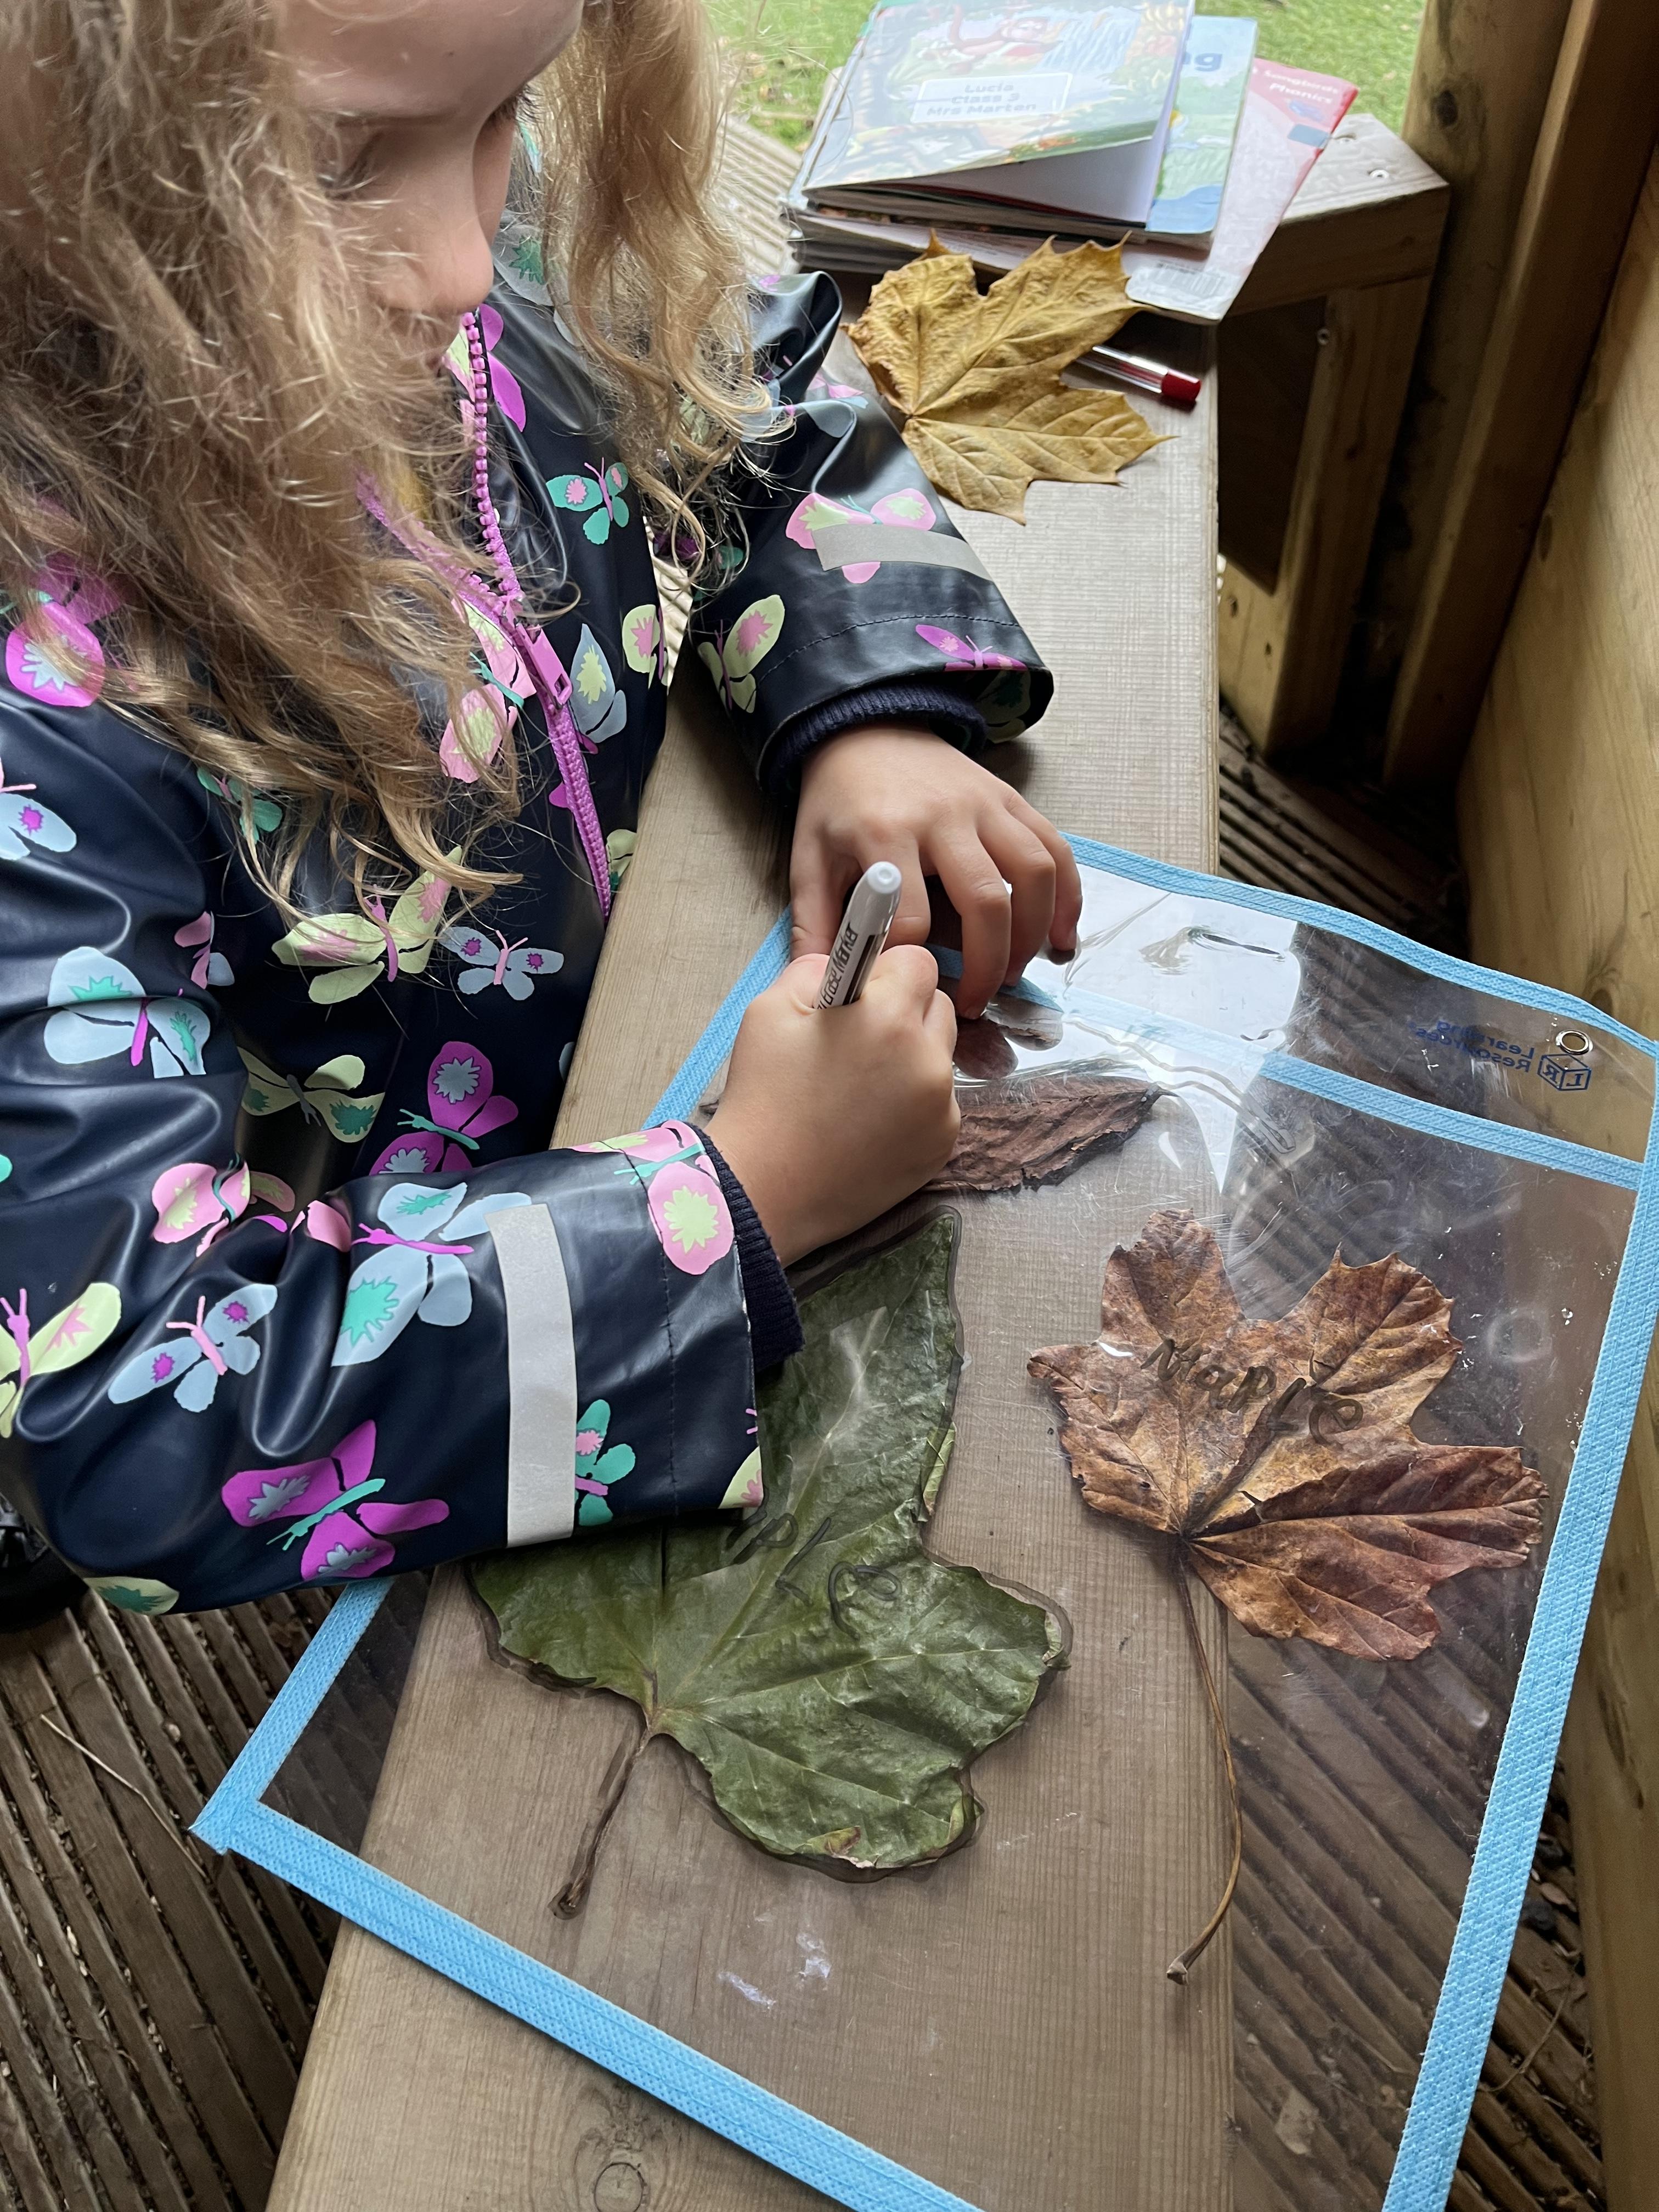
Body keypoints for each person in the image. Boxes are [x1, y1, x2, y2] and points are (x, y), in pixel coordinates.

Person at [0, 0, 1079, 1626]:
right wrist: (738, 1202)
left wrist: (868, 712)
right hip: (367, 1247)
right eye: (332, 165)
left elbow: (757, 380)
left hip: (611, 1052)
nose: (458, 263)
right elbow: (145, 1414)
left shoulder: (499, 247)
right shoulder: (43, 701)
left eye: (510, 107)